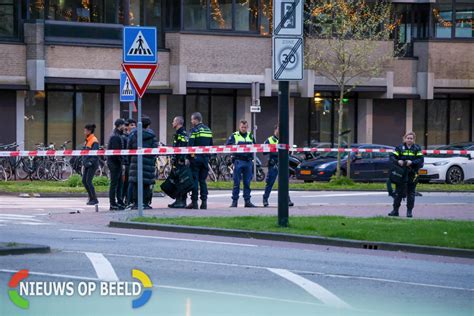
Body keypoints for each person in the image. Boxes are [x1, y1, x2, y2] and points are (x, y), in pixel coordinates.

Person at [388, 131, 424, 218]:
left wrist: (412, 162)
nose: (409, 140)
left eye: (411, 138)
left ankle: (409, 212)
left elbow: (421, 160)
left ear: (414, 140)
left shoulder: (417, 148)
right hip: (401, 174)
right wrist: (398, 161)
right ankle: (395, 211)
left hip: (412, 173)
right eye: (408, 138)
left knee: (411, 193)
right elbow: (392, 157)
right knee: (398, 192)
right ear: (405, 138)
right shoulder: (400, 148)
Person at [127, 117, 158, 210]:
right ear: (148, 125)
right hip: (148, 163)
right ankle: (145, 203)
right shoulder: (152, 136)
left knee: (136, 183)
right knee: (146, 184)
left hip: (135, 162)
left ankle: (136, 203)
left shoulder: (133, 134)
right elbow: (155, 150)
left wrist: (130, 160)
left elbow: (129, 148)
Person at [226, 120, 256, 208]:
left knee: (247, 183)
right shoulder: (234, 135)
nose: (244, 129)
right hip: (238, 161)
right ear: (239, 127)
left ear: (247, 127)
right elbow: (228, 146)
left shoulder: (250, 135)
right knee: (236, 182)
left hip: (248, 161)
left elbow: (256, 146)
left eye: (245, 127)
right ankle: (234, 202)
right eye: (242, 127)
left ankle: (247, 201)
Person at [186, 112, 213, 210]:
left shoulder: (194, 130)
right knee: (203, 181)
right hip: (205, 159)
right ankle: (204, 202)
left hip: (195, 159)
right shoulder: (208, 130)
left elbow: (190, 145)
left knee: (195, 180)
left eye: (192, 119)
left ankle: (194, 202)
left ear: (196, 120)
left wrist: (188, 158)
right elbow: (211, 145)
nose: (191, 121)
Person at [262, 125, 294, 207]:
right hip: (273, 164)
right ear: (275, 130)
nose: (279, 132)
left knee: (284, 183)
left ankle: (288, 200)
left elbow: (288, 151)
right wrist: (273, 151)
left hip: (283, 164)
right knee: (270, 183)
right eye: (278, 130)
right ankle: (265, 199)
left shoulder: (284, 140)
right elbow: (264, 152)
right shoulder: (269, 140)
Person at [168, 116, 189, 208]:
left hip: (180, 162)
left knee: (181, 181)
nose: (172, 123)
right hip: (177, 160)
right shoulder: (178, 133)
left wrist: (181, 159)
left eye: (173, 121)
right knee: (177, 181)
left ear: (178, 123)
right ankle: (178, 200)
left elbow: (183, 147)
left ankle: (181, 201)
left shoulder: (182, 133)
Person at [107, 119, 126, 211]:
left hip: (115, 162)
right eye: (123, 125)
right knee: (115, 183)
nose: (125, 127)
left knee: (119, 183)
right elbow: (116, 152)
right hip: (114, 163)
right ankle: (113, 203)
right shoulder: (115, 137)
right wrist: (121, 162)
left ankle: (119, 201)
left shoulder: (117, 135)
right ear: (119, 126)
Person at [82, 123, 99, 205]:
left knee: (88, 181)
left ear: (89, 131)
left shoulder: (94, 140)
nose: (84, 131)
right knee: (84, 181)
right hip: (87, 163)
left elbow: (94, 154)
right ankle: (91, 197)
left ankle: (94, 199)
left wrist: (90, 162)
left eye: (85, 130)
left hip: (92, 164)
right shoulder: (88, 139)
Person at [122, 119, 136, 206]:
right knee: (125, 183)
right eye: (131, 125)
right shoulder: (125, 137)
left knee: (129, 183)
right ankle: (124, 200)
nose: (134, 126)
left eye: (134, 125)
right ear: (127, 127)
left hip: (131, 163)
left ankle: (128, 199)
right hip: (127, 163)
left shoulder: (133, 136)